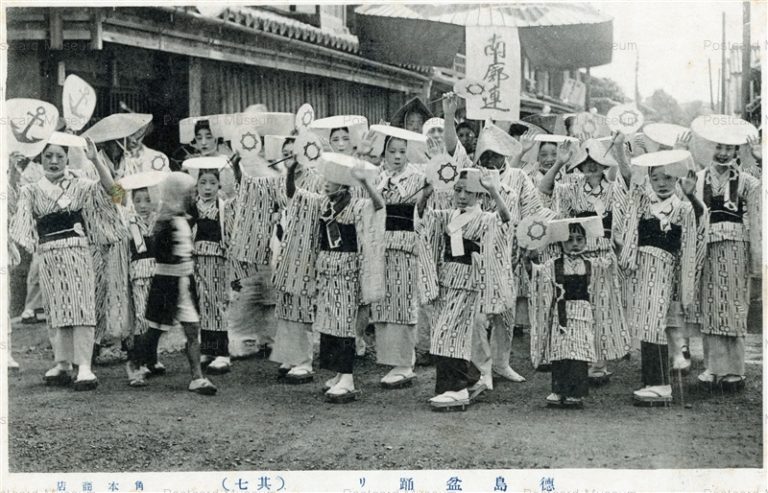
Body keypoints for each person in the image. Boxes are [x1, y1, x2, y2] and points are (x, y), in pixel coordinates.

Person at [9, 133, 126, 390]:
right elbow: (17, 218)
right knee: (55, 308)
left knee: (82, 305)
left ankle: (84, 365)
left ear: (67, 158)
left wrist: (96, 161)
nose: (53, 161)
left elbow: (116, 194)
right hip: (48, 253)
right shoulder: (31, 190)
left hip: (77, 250)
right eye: (47, 156)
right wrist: (13, 173)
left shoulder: (81, 185)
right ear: (40, 159)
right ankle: (62, 362)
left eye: (59, 156)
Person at [281, 152, 385, 403]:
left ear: (343, 183)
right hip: (326, 268)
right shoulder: (322, 203)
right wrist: (291, 168)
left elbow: (379, 206)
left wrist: (366, 183)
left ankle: (348, 377)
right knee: (329, 322)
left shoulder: (355, 205)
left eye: (332, 178)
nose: (325, 182)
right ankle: (338, 373)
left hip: (347, 270)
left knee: (344, 324)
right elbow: (294, 194)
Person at [416, 168, 514, 411]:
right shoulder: (446, 216)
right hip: (446, 279)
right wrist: (425, 195)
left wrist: (493, 190)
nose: (462, 196)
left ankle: (457, 388)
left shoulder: (485, 218)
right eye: (458, 190)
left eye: (469, 192)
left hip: (469, 281)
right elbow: (422, 219)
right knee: (442, 334)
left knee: (455, 334)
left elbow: (505, 220)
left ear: (479, 195)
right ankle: (456, 384)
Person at [539, 138, 631, 384]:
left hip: (603, 255)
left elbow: (629, 179)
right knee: (578, 310)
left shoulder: (613, 188)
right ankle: (581, 362)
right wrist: (560, 161)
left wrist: (620, 149)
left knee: (602, 309)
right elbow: (545, 189)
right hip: (578, 255)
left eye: (596, 162)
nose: (591, 166)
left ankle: (599, 365)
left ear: (603, 164)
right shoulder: (571, 188)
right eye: (586, 162)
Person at [619, 151, 701, 406]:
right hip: (642, 268)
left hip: (665, 269)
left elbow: (688, 247)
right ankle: (651, 380)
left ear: (676, 178)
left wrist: (684, 284)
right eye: (656, 178)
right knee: (645, 324)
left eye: (667, 177)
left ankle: (661, 385)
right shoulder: (642, 202)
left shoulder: (684, 208)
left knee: (655, 324)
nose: (662, 183)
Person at [689, 115, 761, 391]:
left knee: (732, 306)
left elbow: (760, 200)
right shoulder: (698, 179)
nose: (723, 153)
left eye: (729, 149)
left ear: (736, 151)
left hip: (735, 247)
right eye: (719, 147)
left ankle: (735, 370)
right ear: (712, 148)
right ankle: (713, 367)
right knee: (709, 305)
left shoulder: (746, 180)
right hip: (706, 246)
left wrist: (758, 160)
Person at [364, 126, 431, 388]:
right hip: (380, 245)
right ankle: (392, 361)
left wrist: (426, 194)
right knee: (383, 303)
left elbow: (424, 211)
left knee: (402, 304)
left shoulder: (418, 178)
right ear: (384, 153)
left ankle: (405, 363)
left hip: (404, 244)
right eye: (391, 151)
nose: (397, 156)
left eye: (402, 151)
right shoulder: (377, 177)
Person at [141, 172, 218, 395]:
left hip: (184, 282)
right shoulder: (164, 223)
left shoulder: (185, 218)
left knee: (192, 329)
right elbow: (159, 253)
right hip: (166, 284)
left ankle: (197, 377)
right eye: (189, 192)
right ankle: (138, 363)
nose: (193, 196)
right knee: (155, 329)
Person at [527, 217, 608, 408]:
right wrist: (528, 259)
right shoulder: (553, 264)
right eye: (570, 240)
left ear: (586, 241)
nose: (574, 244)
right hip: (560, 313)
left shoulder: (592, 264)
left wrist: (615, 249)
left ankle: (575, 393)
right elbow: (537, 274)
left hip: (582, 313)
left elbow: (609, 270)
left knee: (578, 355)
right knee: (560, 352)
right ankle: (558, 390)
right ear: (561, 242)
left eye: (579, 239)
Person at [183, 157, 236, 374]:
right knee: (201, 305)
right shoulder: (192, 207)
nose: (207, 188)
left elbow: (230, 235)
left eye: (212, 183)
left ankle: (222, 352)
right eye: (203, 182)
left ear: (219, 185)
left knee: (216, 304)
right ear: (197, 185)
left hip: (216, 260)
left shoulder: (223, 207)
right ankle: (209, 348)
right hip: (195, 260)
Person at [120, 171, 168, 386]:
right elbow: (114, 200)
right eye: (138, 200)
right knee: (142, 318)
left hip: (160, 272)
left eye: (147, 200)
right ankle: (136, 364)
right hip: (140, 273)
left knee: (158, 318)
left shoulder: (159, 219)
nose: (143, 205)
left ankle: (151, 358)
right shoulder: (129, 221)